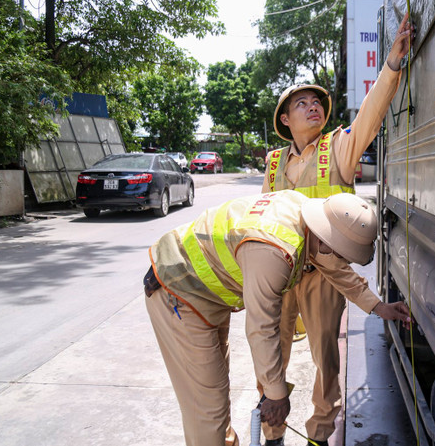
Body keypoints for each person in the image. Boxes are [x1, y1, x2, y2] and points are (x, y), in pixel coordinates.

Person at [144, 190, 411, 446]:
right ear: (324, 239)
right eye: (342, 254)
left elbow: (331, 265)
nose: (343, 263)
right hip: (179, 293)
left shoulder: (303, 215)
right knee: (207, 407)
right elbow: (261, 329)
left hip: (208, 295)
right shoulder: (273, 252)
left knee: (217, 392)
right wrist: (276, 394)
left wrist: (377, 306)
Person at [261, 14, 414, 446]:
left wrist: (392, 65)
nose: (313, 106)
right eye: (302, 103)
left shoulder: (337, 148)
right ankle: (272, 434)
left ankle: (319, 435)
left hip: (325, 276)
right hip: (278, 276)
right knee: (270, 357)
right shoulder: (273, 162)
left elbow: (369, 116)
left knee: (326, 361)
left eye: (317, 102)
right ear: (285, 119)